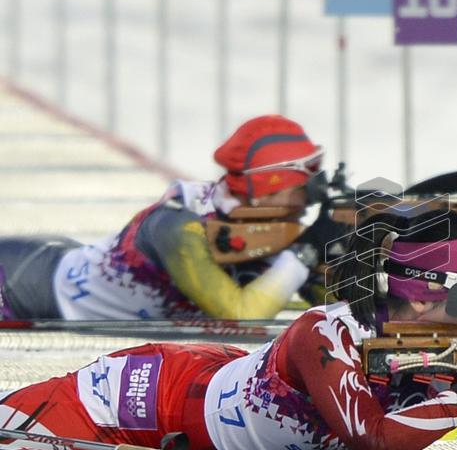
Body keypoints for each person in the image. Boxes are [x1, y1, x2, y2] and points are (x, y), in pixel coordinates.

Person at [0, 211, 457, 450]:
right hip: (136, 397)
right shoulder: (323, 333)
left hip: (201, 412)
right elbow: (375, 443)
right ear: (422, 291)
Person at [0, 115, 344, 321]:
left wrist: (342, 257)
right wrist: (305, 254)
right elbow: (243, 314)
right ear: (268, 186)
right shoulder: (179, 227)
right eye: (305, 184)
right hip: (18, 286)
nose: (309, 197)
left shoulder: (267, 229)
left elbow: (328, 305)